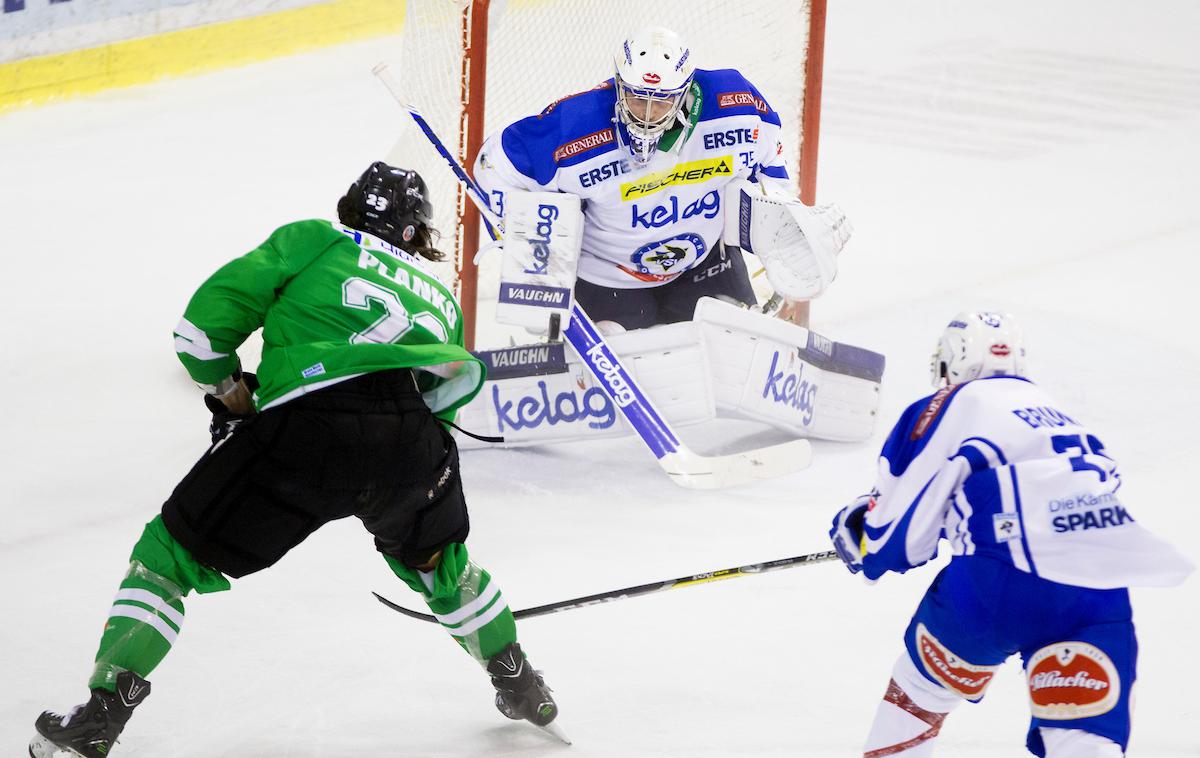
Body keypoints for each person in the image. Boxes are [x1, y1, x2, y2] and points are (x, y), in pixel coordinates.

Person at [29, 162, 562, 758]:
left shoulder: (316, 240)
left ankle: (102, 715)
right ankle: (521, 683)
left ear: (353, 212)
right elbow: (443, 397)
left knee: (168, 558)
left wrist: (233, 394)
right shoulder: (441, 296)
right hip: (413, 440)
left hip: (308, 430)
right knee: (442, 565)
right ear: (418, 232)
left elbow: (199, 337)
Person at [828, 311, 1193, 757]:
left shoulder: (950, 403)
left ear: (952, 363)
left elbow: (898, 539)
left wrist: (861, 538)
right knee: (1082, 742)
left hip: (998, 585)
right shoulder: (1059, 414)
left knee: (920, 691)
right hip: (1098, 590)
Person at [473, 26, 839, 331]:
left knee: (731, 354)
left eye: (662, 101)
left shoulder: (734, 105)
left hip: (705, 263)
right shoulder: (576, 127)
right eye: (636, 98)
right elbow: (493, 165)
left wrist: (788, 227)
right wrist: (526, 242)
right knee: (629, 365)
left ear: (684, 93)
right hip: (607, 278)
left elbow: (770, 163)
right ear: (619, 86)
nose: (647, 114)